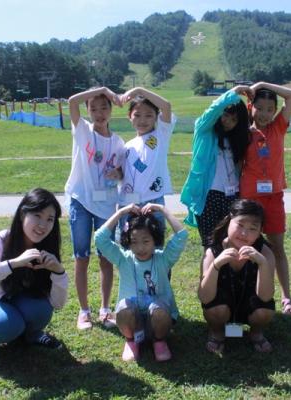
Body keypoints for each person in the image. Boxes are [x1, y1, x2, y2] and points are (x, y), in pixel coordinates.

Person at [0, 188, 68, 372]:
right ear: (22, 214)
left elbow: (57, 304)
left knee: (42, 310)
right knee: (8, 324)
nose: (43, 225)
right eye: (37, 215)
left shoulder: (45, 249)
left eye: (50, 219)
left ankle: (31, 335)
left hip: (9, 300)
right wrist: (13, 264)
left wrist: (59, 272)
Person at [94, 203, 187, 362]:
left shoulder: (163, 259)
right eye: (134, 241)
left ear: (155, 240)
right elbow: (99, 238)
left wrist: (163, 210)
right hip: (132, 322)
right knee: (125, 308)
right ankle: (131, 342)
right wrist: (121, 213)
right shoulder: (123, 259)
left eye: (146, 241)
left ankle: (159, 341)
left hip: (158, 321)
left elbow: (182, 235)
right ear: (128, 241)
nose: (140, 248)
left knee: (158, 310)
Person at [65, 87, 125, 330]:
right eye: (94, 109)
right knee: (81, 257)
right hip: (81, 201)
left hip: (106, 205)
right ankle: (84, 311)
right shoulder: (83, 131)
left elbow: (123, 172)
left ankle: (105, 309)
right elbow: (72, 101)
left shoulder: (118, 142)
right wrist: (102, 90)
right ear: (88, 111)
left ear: (111, 110)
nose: (99, 113)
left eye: (104, 107)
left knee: (105, 258)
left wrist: (118, 173)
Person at [241, 82, 291, 316]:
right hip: (249, 198)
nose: (265, 114)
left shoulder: (278, 127)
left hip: (274, 197)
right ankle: (247, 296)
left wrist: (262, 85)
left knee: (277, 248)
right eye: (260, 108)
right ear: (251, 107)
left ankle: (287, 299)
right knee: (247, 248)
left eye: (270, 109)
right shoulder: (243, 132)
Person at [180, 85, 251, 274]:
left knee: (232, 243)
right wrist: (233, 92)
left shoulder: (236, 140)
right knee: (211, 245)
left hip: (232, 197)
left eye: (234, 119)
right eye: (225, 115)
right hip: (209, 197)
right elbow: (212, 110)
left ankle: (227, 284)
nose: (228, 121)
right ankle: (207, 284)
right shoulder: (204, 131)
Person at [198, 199, 275, 354]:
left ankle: (256, 332)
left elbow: (266, 297)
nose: (244, 234)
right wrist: (216, 265)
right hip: (221, 305)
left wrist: (262, 263)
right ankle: (217, 332)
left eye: (252, 228)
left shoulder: (265, 252)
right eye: (240, 225)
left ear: (260, 231)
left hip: (250, 304)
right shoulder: (213, 251)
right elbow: (204, 297)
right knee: (216, 310)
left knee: (264, 311)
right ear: (229, 221)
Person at [118, 87, 176, 231]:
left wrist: (139, 90)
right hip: (129, 203)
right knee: (127, 241)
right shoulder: (127, 146)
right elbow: (124, 174)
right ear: (129, 116)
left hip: (153, 201)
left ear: (156, 117)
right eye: (137, 115)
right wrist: (116, 174)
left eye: (149, 115)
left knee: (155, 241)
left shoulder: (160, 135)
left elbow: (166, 106)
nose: (142, 120)